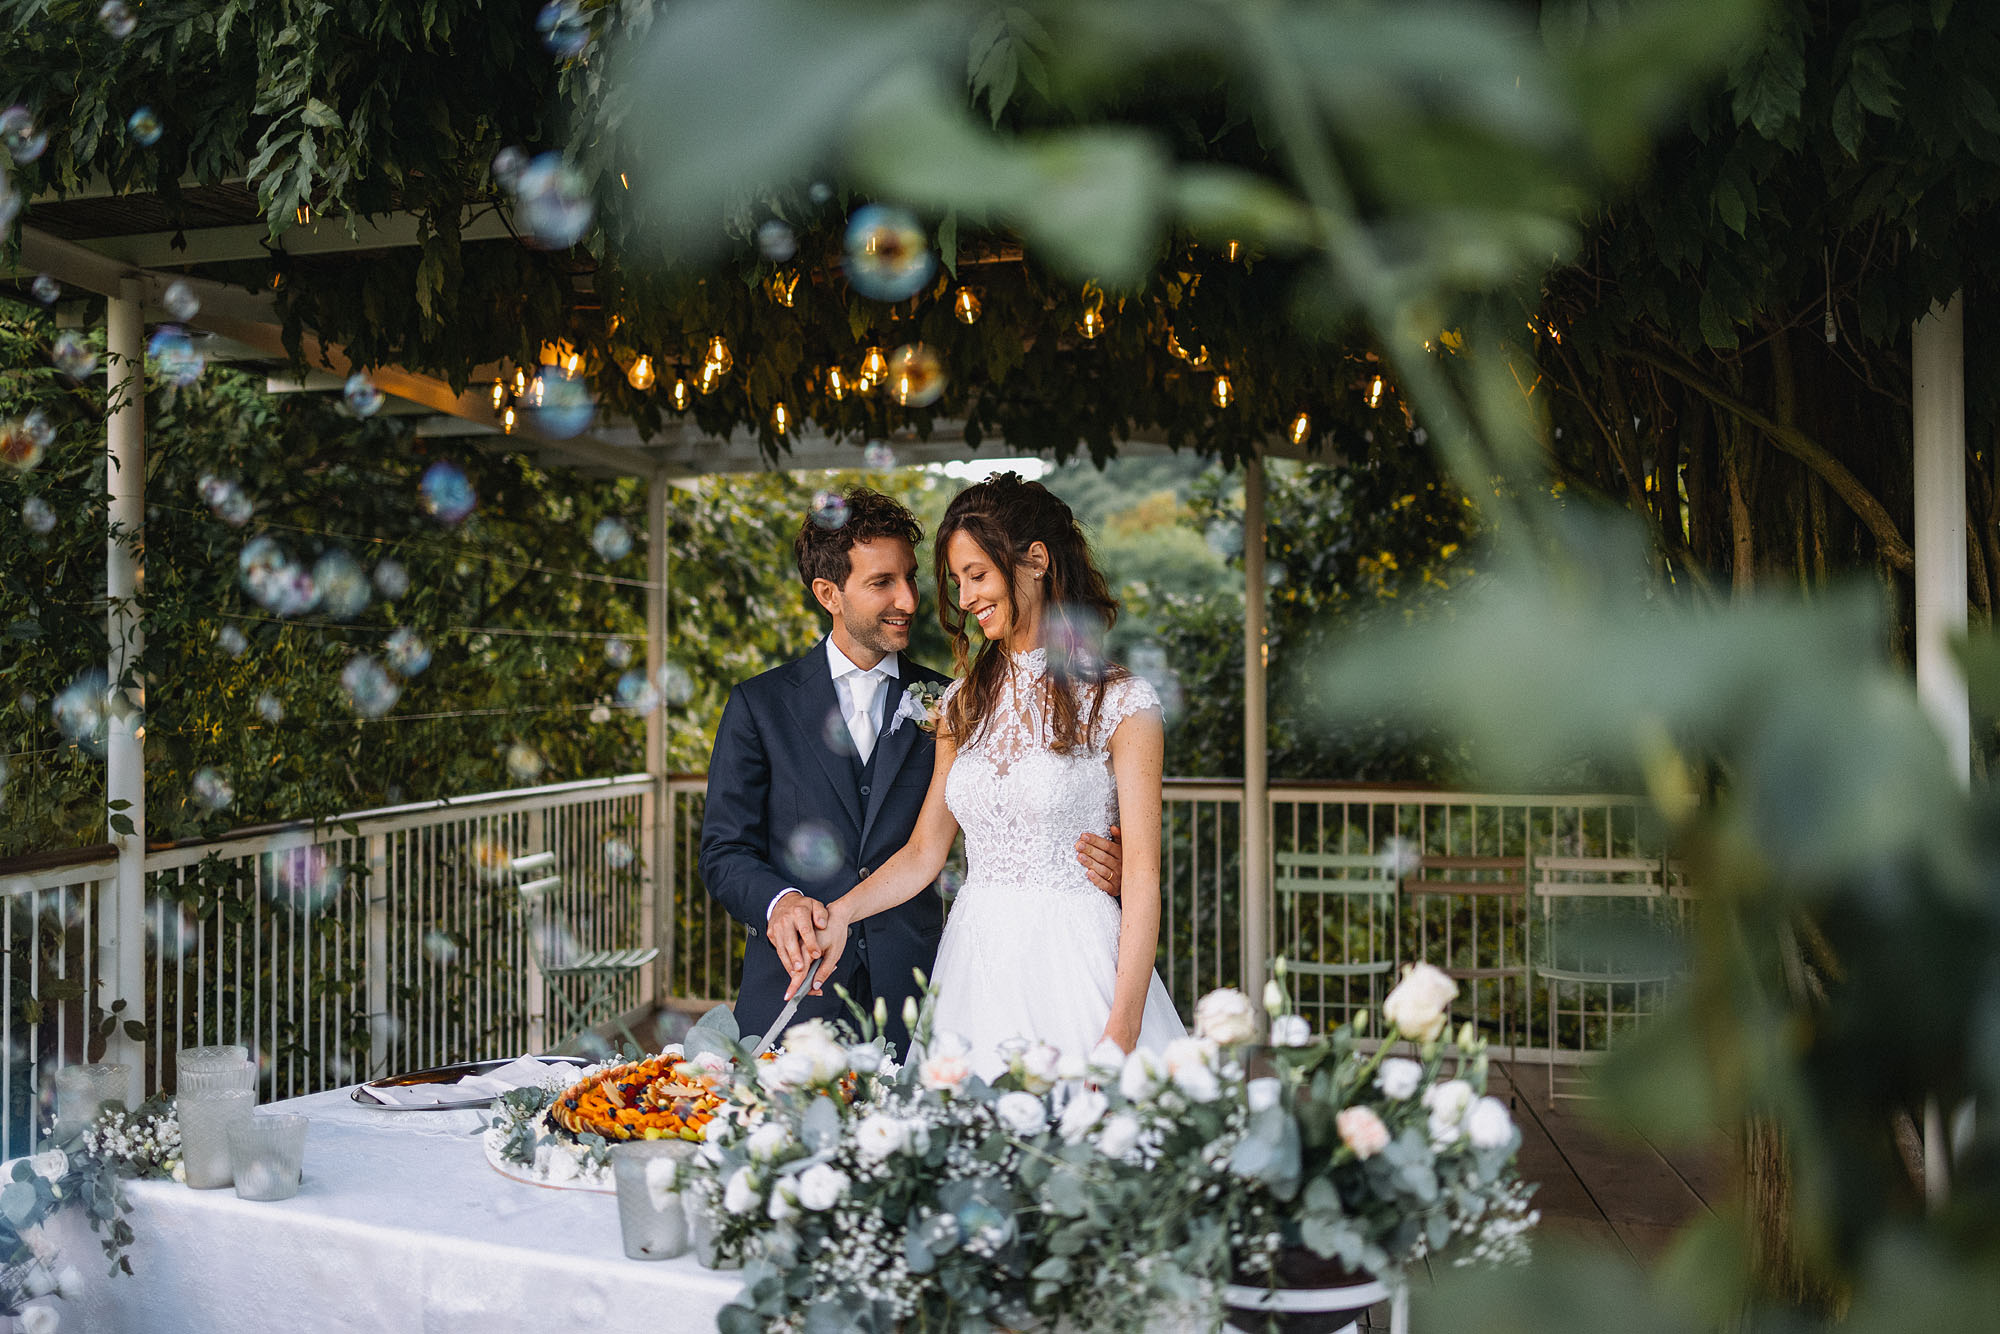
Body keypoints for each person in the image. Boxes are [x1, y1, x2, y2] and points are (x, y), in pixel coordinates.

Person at [699, 486, 1125, 1054]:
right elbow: (724, 851)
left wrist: (1106, 864)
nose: (908, 599)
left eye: (910, 578)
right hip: (798, 988)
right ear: (829, 593)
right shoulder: (760, 705)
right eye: (881, 583)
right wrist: (781, 905)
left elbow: (1024, 808)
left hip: (923, 987)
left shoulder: (960, 700)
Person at [794, 474, 1186, 1067]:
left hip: (1077, 967)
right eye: (956, 580)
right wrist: (842, 913)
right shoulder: (961, 702)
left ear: (1035, 562)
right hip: (975, 966)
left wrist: (1121, 1032)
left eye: (977, 575)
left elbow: (1141, 879)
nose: (966, 596)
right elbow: (926, 851)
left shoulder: (1124, 703)